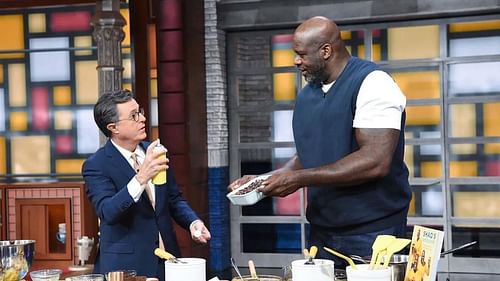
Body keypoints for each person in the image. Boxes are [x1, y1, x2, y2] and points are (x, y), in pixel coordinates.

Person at [228, 16, 411, 268]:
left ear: (326, 51)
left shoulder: (372, 84)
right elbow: (309, 155)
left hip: (372, 232)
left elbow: (375, 161)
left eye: (301, 54)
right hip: (323, 231)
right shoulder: (308, 94)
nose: (295, 61)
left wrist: (298, 179)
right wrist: (264, 180)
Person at [83, 89, 210, 280]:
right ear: (113, 127)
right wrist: (141, 177)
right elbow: (107, 212)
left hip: (167, 260)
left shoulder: (154, 152)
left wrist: (193, 222)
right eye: (134, 116)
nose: (143, 118)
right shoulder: (96, 165)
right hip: (125, 268)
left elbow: (173, 199)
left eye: (140, 111)